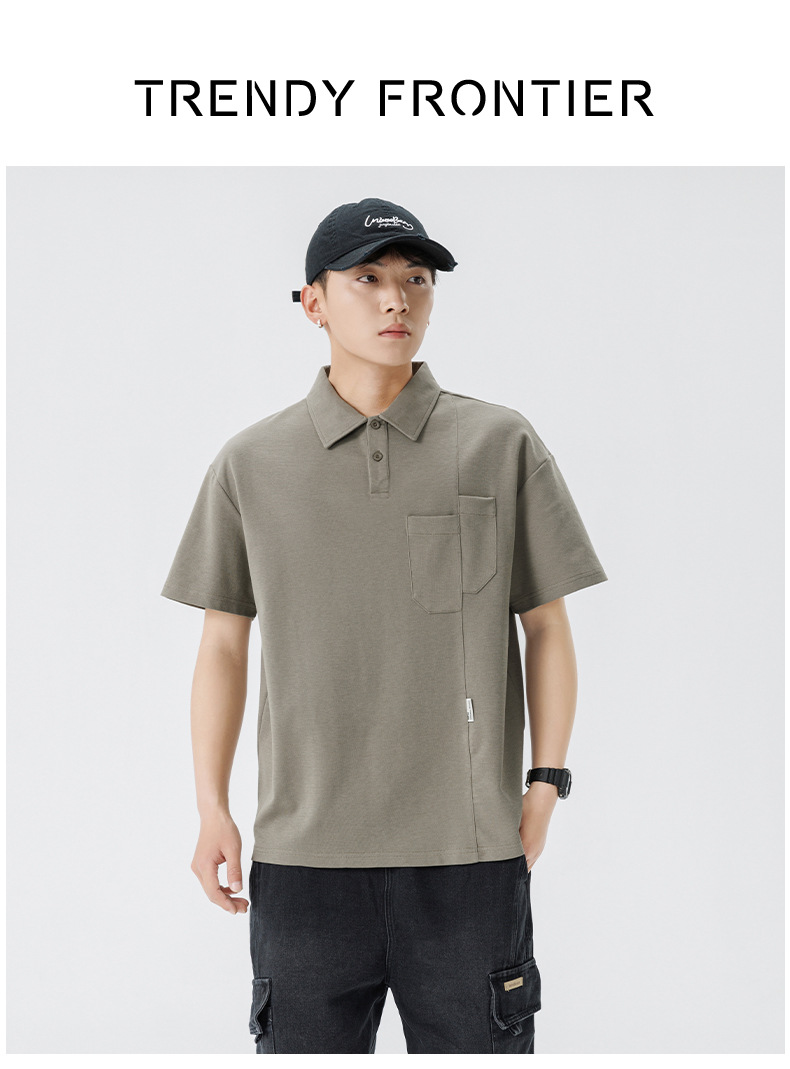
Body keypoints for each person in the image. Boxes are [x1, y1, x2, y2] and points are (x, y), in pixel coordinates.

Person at [160, 196, 608, 1054]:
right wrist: (212, 807)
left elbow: (546, 625)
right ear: (313, 303)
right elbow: (222, 643)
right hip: (303, 861)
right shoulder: (251, 463)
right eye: (366, 278)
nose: (397, 299)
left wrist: (545, 783)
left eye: (417, 279)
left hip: (469, 857)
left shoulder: (499, 443)